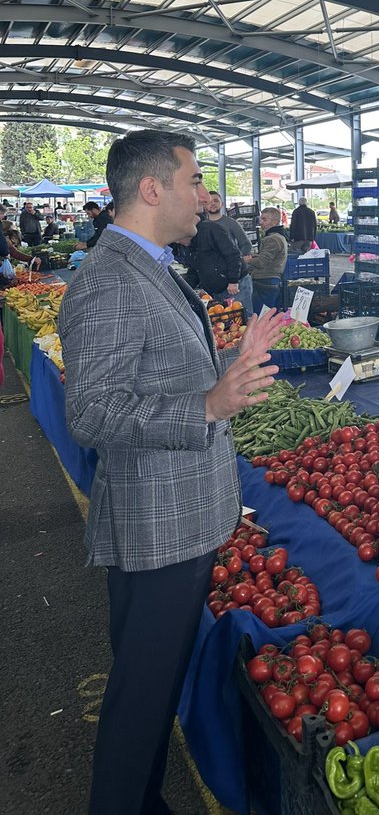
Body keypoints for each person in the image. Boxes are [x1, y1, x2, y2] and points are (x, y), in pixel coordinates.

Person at [57, 129, 281, 815]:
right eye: (193, 182)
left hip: (182, 518)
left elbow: (156, 375)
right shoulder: (109, 280)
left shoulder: (151, 264)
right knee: (141, 697)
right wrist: (208, 402)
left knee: (152, 691)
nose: (204, 198)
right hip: (159, 528)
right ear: (152, 189)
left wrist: (227, 366)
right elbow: (92, 412)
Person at [190, 216, 253, 311]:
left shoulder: (211, 229)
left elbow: (234, 254)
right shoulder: (189, 242)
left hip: (234, 285)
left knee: (241, 317)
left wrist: (233, 280)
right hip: (217, 289)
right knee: (224, 318)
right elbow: (195, 267)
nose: (178, 241)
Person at [205, 190, 253, 264]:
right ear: (204, 205)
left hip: (231, 267)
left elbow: (246, 244)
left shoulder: (231, 223)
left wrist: (237, 260)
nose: (213, 204)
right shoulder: (202, 225)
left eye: (216, 201)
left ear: (222, 204)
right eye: (209, 202)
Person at [247, 206, 289, 281]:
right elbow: (271, 257)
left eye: (264, 220)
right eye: (261, 219)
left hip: (266, 279)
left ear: (274, 222)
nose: (260, 222)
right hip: (269, 278)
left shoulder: (272, 239)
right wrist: (257, 256)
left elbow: (261, 263)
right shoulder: (278, 236)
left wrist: (247, 260)